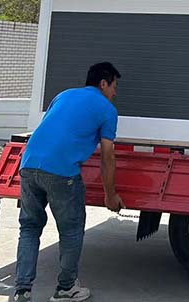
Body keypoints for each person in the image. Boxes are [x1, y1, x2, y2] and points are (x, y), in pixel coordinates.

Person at [12, 62, 125, 302]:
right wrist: (110, 194)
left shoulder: (63, 95)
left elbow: (52, 129)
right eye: (114, 86)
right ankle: (66, 289)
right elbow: (107, 157)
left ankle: (22, 290)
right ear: (103, 83)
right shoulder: (107, 109)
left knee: (29, 227)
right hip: (61, 171)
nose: (115, 92)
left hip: (28, 164)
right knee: (71, 230)